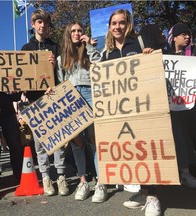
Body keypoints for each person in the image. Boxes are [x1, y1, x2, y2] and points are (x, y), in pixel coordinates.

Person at [101, 9, 160, 216]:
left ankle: (153, 197)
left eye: (122, 23)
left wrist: (149, 56)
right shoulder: (106, 53)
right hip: (121, 112)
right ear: (109, 27)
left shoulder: (139, 43)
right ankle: (143, 193)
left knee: (146, 151)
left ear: (128, 24)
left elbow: (153, 70)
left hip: (143, 107)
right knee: (133, 153)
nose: (117, 26)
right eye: (114, 23)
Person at [56, 21, 107, 203]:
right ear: (68, 35)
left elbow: (99, 64)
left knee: (94, 139)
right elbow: (61, 82)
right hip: (72, 96)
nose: (77, 33)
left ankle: (100, 183)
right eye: (73, 31)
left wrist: (89, 47)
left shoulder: (90, 50)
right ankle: (83, 181)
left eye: (80, 30)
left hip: (91, 93)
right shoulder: (62, 58)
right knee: (77, 142)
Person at [21, 8, 69, 196]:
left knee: (58, 141)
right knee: (40, 143)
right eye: (39, 22)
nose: (42, 25)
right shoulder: (26, 49)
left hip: (54, 97)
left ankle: (61, 177)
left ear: (48, 26)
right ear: (33, 25)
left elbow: (65, 72)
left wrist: (55, 64)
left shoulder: (56, 47)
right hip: (35, 101)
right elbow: (22, 75)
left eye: (45, 22)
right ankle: (46, 178)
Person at [167, 23, 196, 188]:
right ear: (174, 37)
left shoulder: (193, 52)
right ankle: (186, 172)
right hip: (175, 107)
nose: (187, 37)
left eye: (188, 34)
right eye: (183, 34)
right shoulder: (164, 55)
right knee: (181, 140)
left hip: (192, 104)